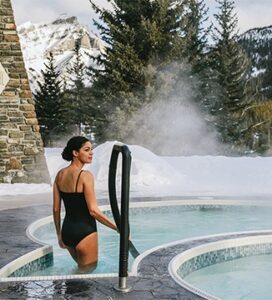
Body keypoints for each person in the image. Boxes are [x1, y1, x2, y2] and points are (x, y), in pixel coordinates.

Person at [53, 136, 118, 270]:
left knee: (80, 270)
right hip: (85, 232)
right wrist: (118, 228)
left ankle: (68, 290)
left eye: (91, 150)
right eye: (87, 150)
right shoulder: (85, 176)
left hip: (67, 232)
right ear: (75, 153)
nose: (91, 153)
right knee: (88, 273)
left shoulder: (60, 175)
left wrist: (60, 235)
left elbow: (55, 209)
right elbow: (93, 211)